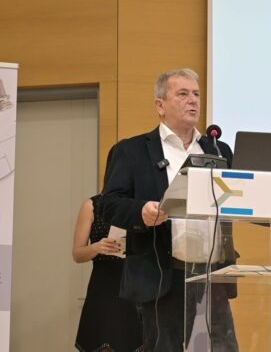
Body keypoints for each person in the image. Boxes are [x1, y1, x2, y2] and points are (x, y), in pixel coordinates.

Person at [100, 68, 238, 351]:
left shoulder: (218, 149)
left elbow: (243, 199)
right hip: (163, 274)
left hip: (212, 275)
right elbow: (108, 204)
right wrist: (141, 211)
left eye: (196, 94)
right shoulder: (132, 151)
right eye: (183, 94)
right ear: (160, 105)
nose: (193, 100)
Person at [73, 194, 144, 352]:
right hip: (106, 286)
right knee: (105, 342)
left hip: (139, 283)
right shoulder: (92, 205)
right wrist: (97, 247)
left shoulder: (141, 204)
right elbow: (77, 254)